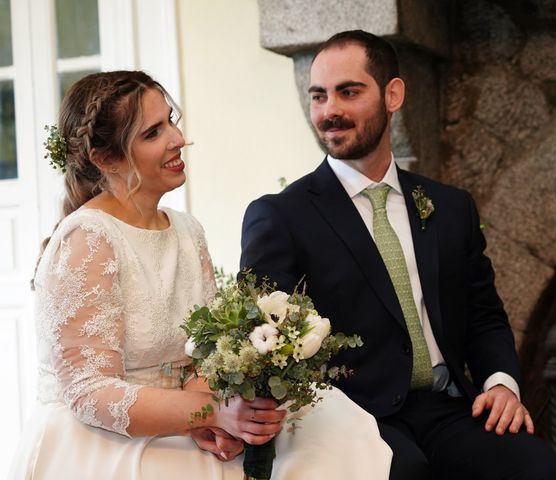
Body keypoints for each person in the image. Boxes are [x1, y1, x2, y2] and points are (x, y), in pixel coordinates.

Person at [11, 70, 391, 480]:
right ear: (106, 159)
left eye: (170, 120)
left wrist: (213, 422)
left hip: (181, 420)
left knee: (331, 431)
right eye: (152, 133)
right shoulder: (88, 239)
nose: (177, 139)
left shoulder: (187, 231)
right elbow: (89, 393)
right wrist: (212, 413)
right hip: (100, 440)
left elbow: (199, 358)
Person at [240, 31, 556, 479]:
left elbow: (484, 313)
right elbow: (264, 344)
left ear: (392, 94)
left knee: (542, 470)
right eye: (318, 96)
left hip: (449, 407)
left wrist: (501, 384)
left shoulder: (451, 207)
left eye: (349, 92)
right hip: (350, 419)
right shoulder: (280, 216)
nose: (329, 111)